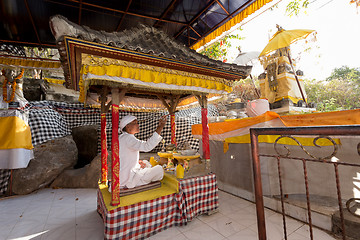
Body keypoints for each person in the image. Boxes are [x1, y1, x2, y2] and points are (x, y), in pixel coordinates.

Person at [118, 114, 167, 189]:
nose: (138, 125)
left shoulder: (122, 137)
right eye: (135, 123)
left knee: (145, 163)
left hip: (124, 175)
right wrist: (160, 127)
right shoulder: (128, 138)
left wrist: (137, 163)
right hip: (128, 179)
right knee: (159, 169)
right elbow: (147, 146)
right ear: (128, 126)